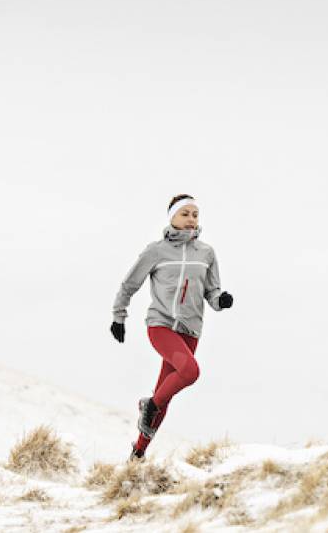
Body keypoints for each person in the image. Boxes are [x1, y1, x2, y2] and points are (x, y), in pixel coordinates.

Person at [109, 194, 233, 460]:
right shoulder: (156, 251)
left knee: (164, 395)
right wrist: (119, 316)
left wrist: (220, 300)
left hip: (191, 331)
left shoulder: (206, 253)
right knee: (190, 372)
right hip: (161, 325)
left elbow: (212, 292)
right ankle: (149, 405)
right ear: (172, 217)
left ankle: (138, 453)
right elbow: (129, 285)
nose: (191, 219)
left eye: (195, 215)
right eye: (184, 214)